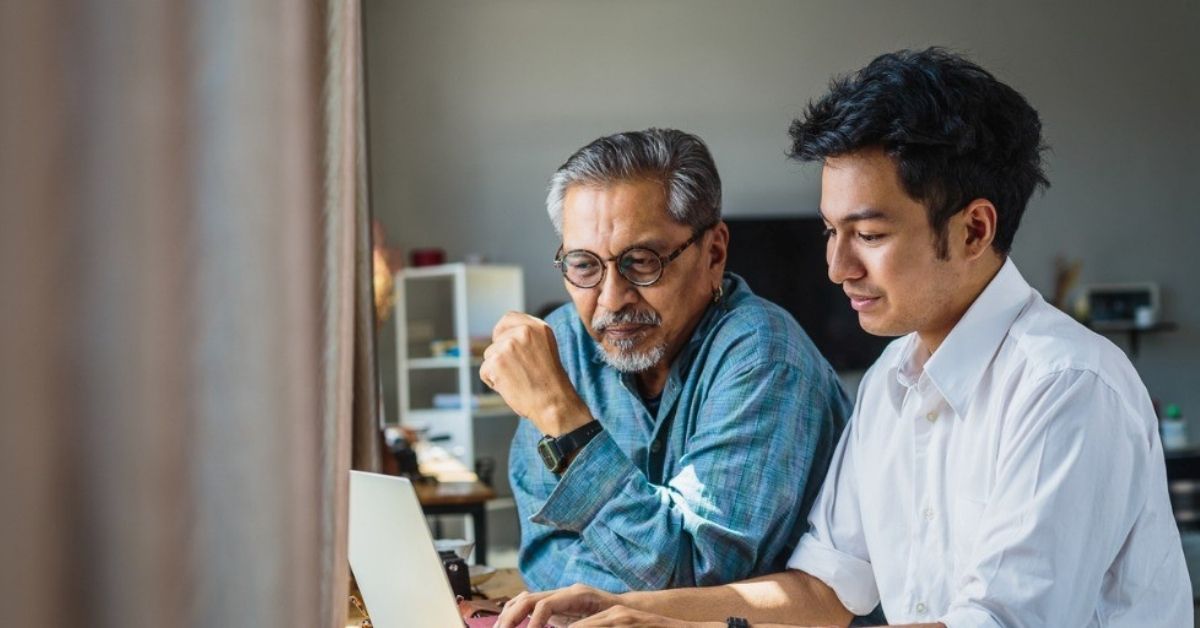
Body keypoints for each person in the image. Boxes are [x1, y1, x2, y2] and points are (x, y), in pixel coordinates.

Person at [497, 48, 1193, 627]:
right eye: (831, 233)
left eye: (868, 234)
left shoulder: (1065, 386)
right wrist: (635, 610)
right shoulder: (894, 380)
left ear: (974, 229)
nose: (837, 267)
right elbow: (822, 591)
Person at [478, 128, 851, 593]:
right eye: (584, 264)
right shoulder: (565, 346)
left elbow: (696, 572)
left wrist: (564, 420)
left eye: (642, 260)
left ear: (713, 253)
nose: (612, 298)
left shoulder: (765, 357)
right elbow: (546, 552)